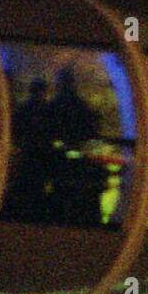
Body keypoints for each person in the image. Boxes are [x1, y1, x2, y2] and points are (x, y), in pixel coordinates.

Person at [45, 66, 103, 226]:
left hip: (59, 164)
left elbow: (47, 133)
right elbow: (92, 136)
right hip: (79, 166)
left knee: (60, 199)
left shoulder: (53, 106)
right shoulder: (83, 107)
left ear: (59, 84)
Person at [4, 77, 55, 222]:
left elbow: (15, 132)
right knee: (38, 188)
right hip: (42, 157)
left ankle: (22, 215)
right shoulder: (48, 110)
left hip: (26, 156)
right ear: (44, 91)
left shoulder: (22, 109)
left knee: (25, 186)